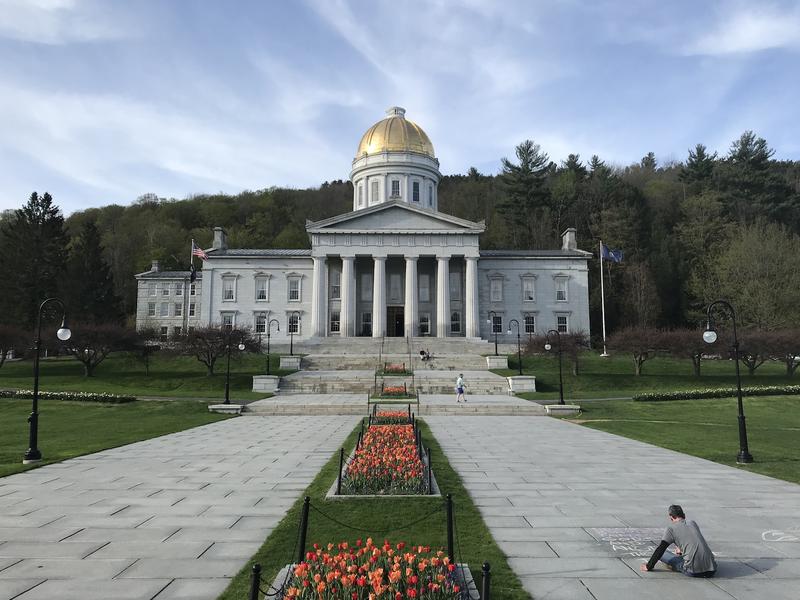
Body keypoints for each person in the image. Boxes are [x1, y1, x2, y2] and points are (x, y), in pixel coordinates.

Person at [640, 505, 717, 577]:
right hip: (712, 569)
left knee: (664, 554)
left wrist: (648, 566)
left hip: (693, 570)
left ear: (671, 518)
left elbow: (660, 549)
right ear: (684, 515)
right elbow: (692, 539)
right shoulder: (692, 523)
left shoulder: (671, 529)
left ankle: (678, 565)